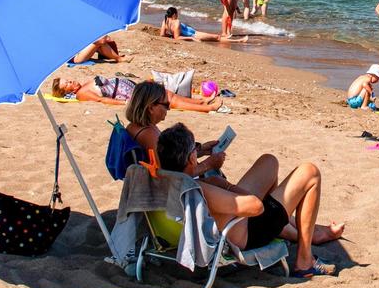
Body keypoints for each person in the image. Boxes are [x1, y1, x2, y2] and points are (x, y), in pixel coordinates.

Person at [155, 123, 339, 277]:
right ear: (191, 158)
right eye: (195, 148)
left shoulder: (169, 179)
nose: (197, 150)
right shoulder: (201, 190)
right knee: (310, 172)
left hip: (236, 222)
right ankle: (305, 261)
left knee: (269, 161)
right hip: (248, 234)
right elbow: (256, 206)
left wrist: (209, 177)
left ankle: (286, 226)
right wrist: (223, 184)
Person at [123, 81, 226, 174]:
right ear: (151, 108)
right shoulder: (148, 134)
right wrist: (208, 164)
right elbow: (168, 176)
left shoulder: (141, 127)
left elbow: (171, 160)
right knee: (217, 181)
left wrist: (201, 149)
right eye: (166, 105)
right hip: (169, 188)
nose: (168, 109)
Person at [50, 76, 221, 111]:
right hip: (129, 96)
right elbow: (102, 100)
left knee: (166, 93)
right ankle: (206, 108)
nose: (72, 82)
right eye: (68, 84)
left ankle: (201, 102)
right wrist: (126, 103)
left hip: (131, 88)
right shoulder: (82, 94)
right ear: (67, 92)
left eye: (69, 80)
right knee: (168, 100)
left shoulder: (84, 85)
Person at [161, 6, 229, 42]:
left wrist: (170, 36)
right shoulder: (176, 22)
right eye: (177, 14)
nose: (177, 16)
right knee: (217, 37)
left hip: (193, 33)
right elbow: (177, 37)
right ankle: (237, 40)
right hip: (194, 35)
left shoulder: (165, 21)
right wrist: (191, 38)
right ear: (174, 14)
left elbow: (162, 34)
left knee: (217, 37)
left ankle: (230, 39)